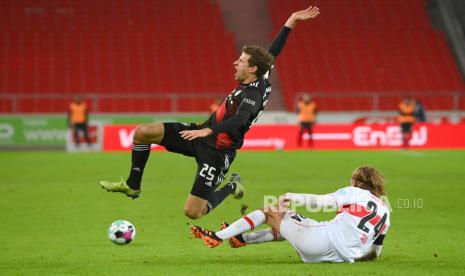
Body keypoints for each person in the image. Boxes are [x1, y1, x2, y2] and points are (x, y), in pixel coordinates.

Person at [99, 6, 321, 219]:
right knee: (142, 132)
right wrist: (291, 20)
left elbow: (241, 119)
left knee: (193, 212)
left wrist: (209, 130)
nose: (236, 62)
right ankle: (133, 185)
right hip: (200, 134)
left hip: (217, 152)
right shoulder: (261, 73)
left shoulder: (252, 95)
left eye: (241, 61)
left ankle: (232, 185)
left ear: (252, 69)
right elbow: (272, 53)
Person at [190, 166, 390, 263]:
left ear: (357, 181)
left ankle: (217, 236)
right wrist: (351, 253)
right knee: (290, 222)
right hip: (340, 256)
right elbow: (375, 253)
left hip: (322, 240)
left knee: (271, 212)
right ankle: (243, 238)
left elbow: (324, 202)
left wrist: (291, 196)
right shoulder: (386, 212)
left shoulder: (356, 192)